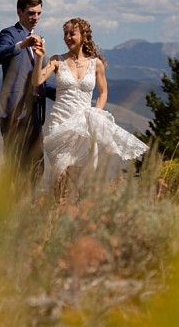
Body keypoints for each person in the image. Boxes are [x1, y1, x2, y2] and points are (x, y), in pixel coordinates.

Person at [30, 17, 148, 197]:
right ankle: (55, 217)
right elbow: (37, 81)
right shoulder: (56, 60)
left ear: (83, 36)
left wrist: (96, 114)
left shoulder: (96, 63)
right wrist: (40, 58)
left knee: (82, 180)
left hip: (85, 127)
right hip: (60, 124)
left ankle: (77, 217)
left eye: (72, 34)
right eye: (65, 34)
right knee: (60, 176)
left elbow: (103, 92)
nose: (68, 37)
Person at [0, 0, 56, 187]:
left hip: (34, 114)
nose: (35, 18)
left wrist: (66, 93)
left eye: (38, 13)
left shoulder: (38, 41)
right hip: (14, 112)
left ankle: (30, 208)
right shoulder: (9, 34)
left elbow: (38, 81)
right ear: (19, 11)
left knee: (37, 166)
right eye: (30, 13)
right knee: (14, 164)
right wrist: (22, 45)